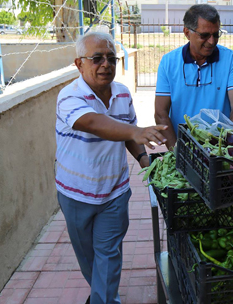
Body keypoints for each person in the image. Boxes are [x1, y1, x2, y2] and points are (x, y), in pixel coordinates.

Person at [55, 31, 167, 304]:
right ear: (79, 64)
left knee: (108, 255)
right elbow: (93, 123)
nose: (105, 64)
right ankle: (102, 294)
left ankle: (104, 299)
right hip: (75, 195)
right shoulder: (69, 96)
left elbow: (130, 137)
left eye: (111, 58)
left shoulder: (122, 93)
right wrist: (136, 130)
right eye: (97, 58)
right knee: (89, 259)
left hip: (114, 194)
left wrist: (144, 161)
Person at [155, 4, 233, 149]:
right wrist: (177, 152)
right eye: (204, 35)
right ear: (187, 32)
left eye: (216, 34)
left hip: (220, 148)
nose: (212, 41)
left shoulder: (230, 59)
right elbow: (161, 113)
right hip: (183, 147)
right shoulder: (168, 62)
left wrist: (224, 147)